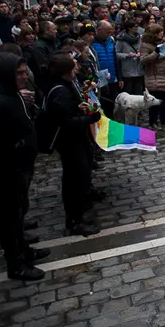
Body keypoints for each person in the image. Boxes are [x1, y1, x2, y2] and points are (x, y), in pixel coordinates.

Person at [0, 53, 49, 280]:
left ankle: (24, 250)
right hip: (9, 168)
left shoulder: (12, 94)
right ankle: (16, 264)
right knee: (11, 217)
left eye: (25, 72)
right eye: (19, 73)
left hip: (21, 165)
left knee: (19, 212)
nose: (24, 77)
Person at [45, 53, 101, 237]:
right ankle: (74, 221)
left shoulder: (66, 86)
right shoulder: (60, 90)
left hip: (76, 139)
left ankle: (78, 216)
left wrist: (79, 108)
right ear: (66, 71)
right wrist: (88, 119)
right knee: (75, 180)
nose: (77, 70)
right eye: (73, 67)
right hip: (70, 142)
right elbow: (65, 122)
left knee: (80, 177)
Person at [140, 24, 165, 129]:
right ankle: (153, 122)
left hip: (164, 74)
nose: (161, 34)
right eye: (159, 32)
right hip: (153, 76)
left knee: (164, 100)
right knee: (155, 101)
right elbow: (143, 60)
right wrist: (156, 53)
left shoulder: (163, 43)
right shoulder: (145, 45)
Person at [92, 21, 121, 114]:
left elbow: (116, 60)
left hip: (112, 77)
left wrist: (119, 77)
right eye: (107, 32)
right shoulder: (92, 42)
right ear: (99, 30)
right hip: (99, 78)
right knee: (103, 102)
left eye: (110, 32)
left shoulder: (111, 40)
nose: (109, 34)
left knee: (112, 102)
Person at [116, 20, 144, 95]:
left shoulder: (140, 38)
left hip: (139, 69)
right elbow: (117, 53)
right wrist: (127, 55)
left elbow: (143, 49)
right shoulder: (121, 39)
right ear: (129, 28)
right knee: (128, 92)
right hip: (128, 70)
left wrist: (140, 53)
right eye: (135, 26)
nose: (137, 28)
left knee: (138, 92)